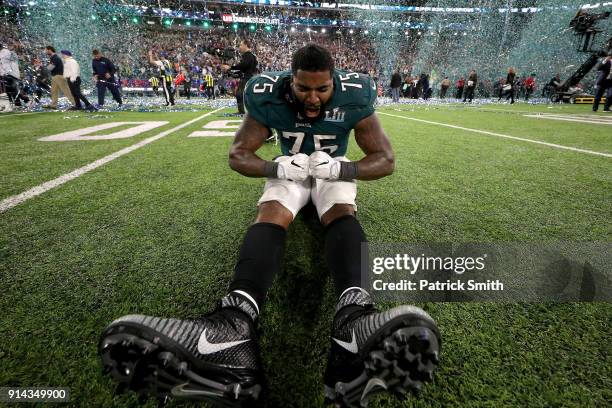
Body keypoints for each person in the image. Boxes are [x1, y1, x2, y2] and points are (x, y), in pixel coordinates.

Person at [99, 44, 441, 408]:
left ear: (335, 82)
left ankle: (353, 319)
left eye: (322, 89)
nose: (313, 98)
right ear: (289, 81)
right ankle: (234, 322)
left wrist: (345, 168)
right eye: (303, 88)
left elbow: (385, 159)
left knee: (341, 210)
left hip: (331, 166)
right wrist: (275, 167)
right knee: (272, 211)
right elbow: (238, 154)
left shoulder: (355, 95)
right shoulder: (266, 94)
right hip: (290, 168)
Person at [222, 39, 258, 115]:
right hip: (250, 78)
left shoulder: (247, 55)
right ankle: (253, 111)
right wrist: (234, 74)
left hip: (246, 79)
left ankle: (241, 111)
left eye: (241, 45)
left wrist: (230, 67)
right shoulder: (252, 56)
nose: (240, 47)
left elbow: (243, 65)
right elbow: (246, 69)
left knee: (239, 94)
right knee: (249, 95)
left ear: (245, 45)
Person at [43, 45, 75, 109]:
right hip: (55, 76)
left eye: (46, 50)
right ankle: (53, 105)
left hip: (59, 76)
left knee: (66, 91)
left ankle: (75, 103)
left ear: (49, 50)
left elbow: (50, 68)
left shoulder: (55, 58)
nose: (45, 52)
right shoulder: (54, 57)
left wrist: (42, 67)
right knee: (54, 91)